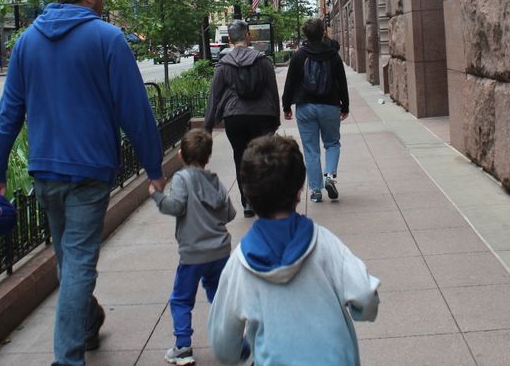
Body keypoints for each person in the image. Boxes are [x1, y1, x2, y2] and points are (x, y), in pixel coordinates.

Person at [0, 0, 166, 366]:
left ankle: (89, 321)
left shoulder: (27, 42)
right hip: (89, 169)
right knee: (78, 261)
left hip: (46, 170)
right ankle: (67, 358)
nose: (103, 1)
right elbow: (134, 109)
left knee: (70, 259)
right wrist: (154, 167)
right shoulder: (108, 38)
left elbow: (9, 111)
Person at [207, 134, 380, 365]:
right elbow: (364, 295)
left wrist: (239, 351)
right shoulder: (325, 244)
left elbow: (222, 341)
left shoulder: (239, 264)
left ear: (248, 195)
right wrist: (362, 312)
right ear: (299, 191)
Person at [149, 128, 236, 366]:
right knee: (219, 296)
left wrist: (156, 195)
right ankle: (234, 340)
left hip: (193, 254)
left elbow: (175, 206)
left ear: (180, 155)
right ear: (208, 157)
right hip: (220, 251)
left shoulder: (182, 179)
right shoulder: (215, 181)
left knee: (181, 299)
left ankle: (183, 347)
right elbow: (229, 213)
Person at [203, 19, 280, 217]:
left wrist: (207, 127)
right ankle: (264, 200)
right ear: (248, 36)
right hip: (262, 116)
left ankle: (248, 203)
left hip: (234, 117)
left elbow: (214, 96)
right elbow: (273, 91)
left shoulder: (223, 65)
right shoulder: (263, 61)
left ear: (230, 40)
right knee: (263, 158)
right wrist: (276, 118)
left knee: (241, 158)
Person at [281, 18, 350, 203]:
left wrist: (286, 106)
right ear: (323, 33)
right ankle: (330, 175)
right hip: (330, 105)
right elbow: (342, 82)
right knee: (332, 143)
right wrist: (345, 106)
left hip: (305, 106)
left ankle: (315, 191)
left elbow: (290, 83)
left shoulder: (299, 56)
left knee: (311, 149)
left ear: (306, 34)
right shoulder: (333, 55)